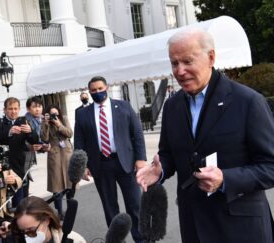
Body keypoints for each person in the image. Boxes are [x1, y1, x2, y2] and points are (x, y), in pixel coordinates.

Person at [136, 28, 274, 243]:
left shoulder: (247, 102)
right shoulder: (172, 106)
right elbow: (169, 154)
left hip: (241, 228)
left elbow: (270, 166)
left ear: (211, 57)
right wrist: (160, 169)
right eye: (174, 63)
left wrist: (226, 179)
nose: (180, 71)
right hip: (194, 225)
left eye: (187, 61)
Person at [74, 76, 146, 243]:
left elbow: (137, 134)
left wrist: (140, 159)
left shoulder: (124, 107)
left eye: (100, 88)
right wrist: (82, 165)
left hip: (126, 163)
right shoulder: (83, 114)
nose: (97, 92)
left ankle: (142, 239)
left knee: (135, 205)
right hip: (100, 165)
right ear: (89, 92)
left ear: (106, 87)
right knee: (110, 208)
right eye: (93, 90)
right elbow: (79, 142)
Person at [0, 97, 39, 208]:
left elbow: (35, 140)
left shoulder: (24, 121)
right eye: (10, 109)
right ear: (4, 110)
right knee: (7, 200)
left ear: (19, 109)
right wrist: (9, 131)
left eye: (16, 109)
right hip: (5, 167)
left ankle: (21, 222)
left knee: (23, 200)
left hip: (21, 166)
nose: (13, 111)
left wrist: (30, 132)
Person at [41, 105, 73, 219]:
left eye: (56, 114)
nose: (54, 116)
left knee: (70, 184)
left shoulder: (63, 119)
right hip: (54, 155)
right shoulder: (45, 122)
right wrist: (46, 123)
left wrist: (59, 124)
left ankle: (70, 209)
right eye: (52, 114)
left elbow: (69, 133)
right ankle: (59, 211)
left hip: (67, 154)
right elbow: (44, 138)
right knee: (56, 185)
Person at [11, 196, 85, 243]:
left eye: (31, 231)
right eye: (21, 232)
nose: (26, 238)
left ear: (46, 221)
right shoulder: (17, 239)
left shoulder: (74, 240)